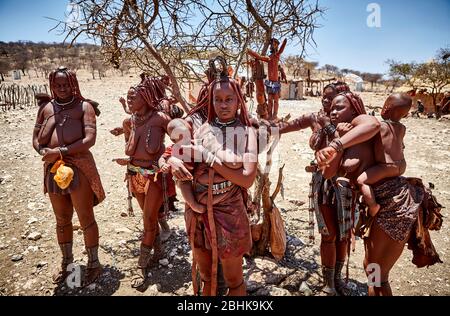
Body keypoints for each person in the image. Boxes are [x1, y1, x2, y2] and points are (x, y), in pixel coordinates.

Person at [316, 92, 443, 296]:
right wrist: (338, 139)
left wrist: (336, 144)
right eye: (331, 107)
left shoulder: (367, 124)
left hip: (393, 204)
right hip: (386, 205)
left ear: (355, 109)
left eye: (339, 107)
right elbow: (328, 172)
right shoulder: (349, 134)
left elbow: (373, 126)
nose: (333, 111)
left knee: (376, 272)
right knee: (373, 269)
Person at [181, 68, 258, 296]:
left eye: (229, 99)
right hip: (198, 210)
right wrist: (193, 203)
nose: (223, 105)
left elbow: (247, 179)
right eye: (218, 99)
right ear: (210, 101)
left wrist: (209, 158)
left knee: (234, 280)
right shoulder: (201, 130)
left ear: (238, 101)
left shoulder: (247, 133)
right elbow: (183, 171)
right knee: (207, 277)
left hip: (230, 211)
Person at [32, 66, 105, 286]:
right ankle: (67, 263)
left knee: (85, 218)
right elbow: (36, 137)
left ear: (73, 84)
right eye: (57, 85)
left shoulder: (84, 107)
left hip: (79, 167)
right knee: (62, 220)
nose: (62, 89)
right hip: (54, 168)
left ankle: (93, 263)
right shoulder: (46, 108)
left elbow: (89, 139)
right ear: (51, 85)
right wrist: (42, 150)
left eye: (66, 85)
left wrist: (61, 151)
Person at [115, 75, 173, 289]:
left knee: (148, 219)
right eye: (128, 98)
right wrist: (128, 160)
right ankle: (158, 252)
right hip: (134, 174)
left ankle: (141, 264)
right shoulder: (132, 119)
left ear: (146, 98)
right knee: (148, 217)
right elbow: (132, 143)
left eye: (133, 97)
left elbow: (181, 138)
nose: (129, 101)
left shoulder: (160, 118)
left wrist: (166, 157)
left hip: (154, 176)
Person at [357, 94, 411, 217]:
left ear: (386, 108)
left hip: (386, 167)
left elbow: (365, 138)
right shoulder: (402, 128)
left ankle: (373, 206)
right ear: (406, 114)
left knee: (362, 181)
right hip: (401, 166)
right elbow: (401, 146)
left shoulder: (380, 126)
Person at [247, 38, 287, 120]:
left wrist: (284, 43)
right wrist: (250, 52)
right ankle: (269, 116)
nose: (274, 46)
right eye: (273, 44)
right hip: (270, 83)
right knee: (270, 100)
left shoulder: (277, 56)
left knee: (275, 100)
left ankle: (274, 115)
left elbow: (281, 50)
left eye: (275, 44)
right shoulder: (268, 58)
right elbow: (259, 57)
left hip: (275, 82)